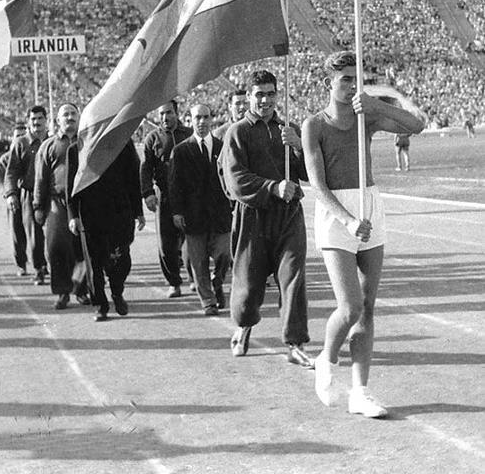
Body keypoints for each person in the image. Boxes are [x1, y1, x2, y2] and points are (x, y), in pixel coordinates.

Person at [302, 51, 425, 418]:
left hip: (370, 205)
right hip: (336, 215)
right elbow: (317, 186)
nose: (353, 86)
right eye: (346, 80)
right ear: (330, 83)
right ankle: (326, 358)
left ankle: (361, 391)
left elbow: (416, 125)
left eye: (358, 80)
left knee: (368, 307)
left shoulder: (365, 117)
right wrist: (349, 221)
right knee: (350, 305)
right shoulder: (314, 125)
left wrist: (376, 105)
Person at [219, 69, 314, 368]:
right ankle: (244, 326)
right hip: (253, 217)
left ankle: (295, 342)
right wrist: (273, 186)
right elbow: (236, 181)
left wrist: (299, 147)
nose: (266, 100)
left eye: (271, 93)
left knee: (293, 277)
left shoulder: (288, 128)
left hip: (288, 216)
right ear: (248, 97)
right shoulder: (238, 133)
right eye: (259, 94)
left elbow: (310, 175)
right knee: (248, 283)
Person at [66, 138, 145, 321]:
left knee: (121, 261)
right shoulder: (76, 149)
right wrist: (73, 216)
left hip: (120, 212)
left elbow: (133, 177)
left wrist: (138, 211)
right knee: (94, 263)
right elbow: (71, 184)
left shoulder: (123, 142)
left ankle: (117, 291)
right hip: (89, 213)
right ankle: (100, 304)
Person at [169, 104, 232, 316]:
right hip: (193, 216)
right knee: (197, 262)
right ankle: (208, 302)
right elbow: (174, 184)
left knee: (224, 253)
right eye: (198, 118)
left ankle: (218, 281)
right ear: (190, 120)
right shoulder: (181, 151)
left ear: (212, 119)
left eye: (206, 117)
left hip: (220, 214)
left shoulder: (224, 147)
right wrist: (177, 212)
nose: (202, 122)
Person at [33, 103, 89, 310]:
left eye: (73, 113)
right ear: (57, 120)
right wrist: (38, 207)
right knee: (56, 248)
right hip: (57, 203)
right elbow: (40, 179)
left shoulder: (86, 142)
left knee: (83, 249)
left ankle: (82, 290)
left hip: (83, 202)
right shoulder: (48, 146)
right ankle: (62, 292)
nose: (70, 117)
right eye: (65, 114)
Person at [141, 100, 193, 298]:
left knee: (193, 239)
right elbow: (145, 168)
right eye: (161, 113)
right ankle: (174, 282)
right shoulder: (152, 138)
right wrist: (148, 193)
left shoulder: (189, 134)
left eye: (169, 112)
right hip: (164, 195)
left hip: (189, 195)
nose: (165, 117)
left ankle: (194, 277)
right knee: (166, 244)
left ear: (177, 113)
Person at [4, 106, 49, 285]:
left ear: (46, 120)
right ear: (29, 121)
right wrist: (11, 194)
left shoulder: (53, 141)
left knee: (57, 233)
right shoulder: (21, 143)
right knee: (34, 234)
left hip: (51, 194)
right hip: (29, 194)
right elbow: (11, 172)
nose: (36, 122)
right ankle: (39, 268)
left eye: (40, 118)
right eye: (33, 119)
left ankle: (58, 266)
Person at [0, 122, 28, 275]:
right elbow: (1, 181)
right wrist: (9, 195)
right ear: (12, 139)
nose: (20, 138)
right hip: (14, 199)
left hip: (31, 197)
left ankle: (41, 264)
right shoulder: (6, 159)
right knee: (17, 232)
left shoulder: (31, 153)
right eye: (17, 136)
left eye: (23, 135)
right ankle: (21, 264)